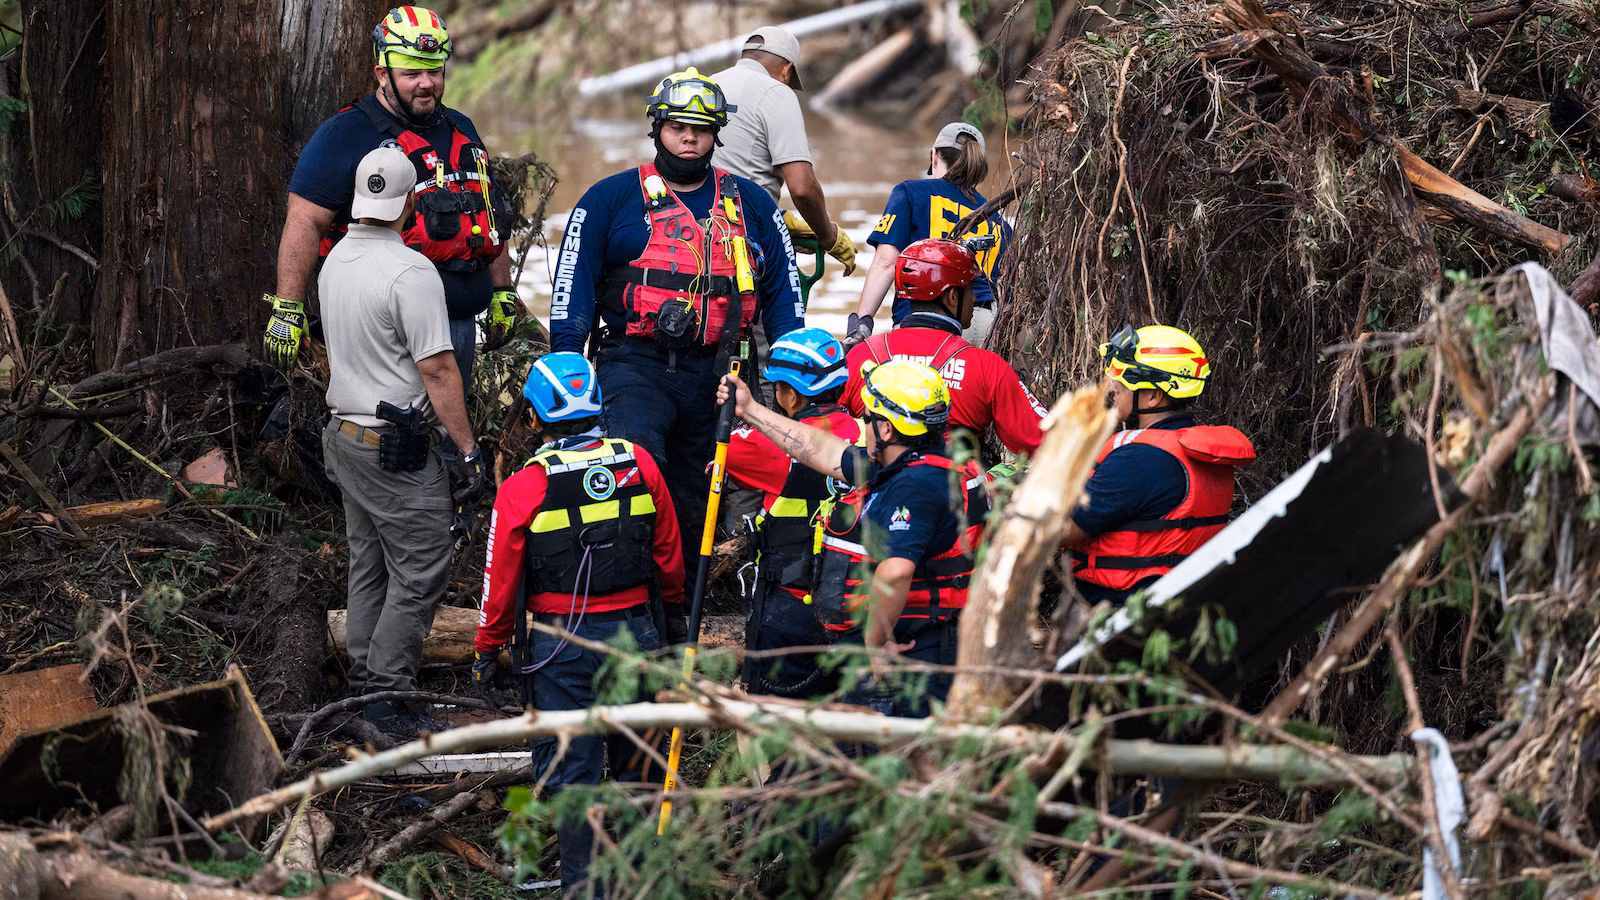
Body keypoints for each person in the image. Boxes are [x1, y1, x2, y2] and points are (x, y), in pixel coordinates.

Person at [548, 66, 806, 616]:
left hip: (720, 377)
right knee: (636, 478)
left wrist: (794, 381)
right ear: (656, 129)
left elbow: (785, 300)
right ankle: (622, 607)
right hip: (633, 367)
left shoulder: (755, 207)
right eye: (677, 127)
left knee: (695, 506)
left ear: (716, 134)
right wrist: (565, 374)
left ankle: (679, 616)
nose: (689, 139)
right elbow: (570, 293)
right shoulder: (610, 200)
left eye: (701, 129)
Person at [472, 351, 685, 896]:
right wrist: (674, 616)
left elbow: (500, 577)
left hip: (560, 648)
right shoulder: (640, 462)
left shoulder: (524, 486)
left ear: (537, 415)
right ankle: (640, 882)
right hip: (636, 636)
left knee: (574, 778)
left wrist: (486, 647)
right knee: (639, 766)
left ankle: (583, 888)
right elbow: (667, 551)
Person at [264, 5, 522, 396]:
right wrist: (288, 307)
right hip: (384, 331)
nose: (426, 84)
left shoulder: (460, 127)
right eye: (412, 73)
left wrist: (502, 291)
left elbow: (485, 212)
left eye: (434, 72)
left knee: (447, 434)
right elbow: (304, 220)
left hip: (459, 321)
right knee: (395, 435)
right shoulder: (345, 133)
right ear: (382, 73)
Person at [319, 146, 485, 739]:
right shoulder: (411, 272)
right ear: (412, 201)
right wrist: (467, 450)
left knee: (368, 563)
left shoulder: (336, 258)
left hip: (344, 433)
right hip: (393, 445)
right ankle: (387, 698)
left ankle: (365, 684)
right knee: (420, 569)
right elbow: (439, 371)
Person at [719, 359, 988, 716]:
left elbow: (895, 572)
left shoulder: (916, 485)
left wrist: (874, 644)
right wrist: (750, 411)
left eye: (869, 419)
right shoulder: (924, 462)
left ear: (888, 430)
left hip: (915, 648)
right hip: (925, 640)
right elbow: (821, 449)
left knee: (885, 757)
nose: (864, 427)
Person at [1062, 324, 1256, 607]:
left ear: (1154, 396)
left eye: (1123, 381)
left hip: (1121, 616)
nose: (1112, 389)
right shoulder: (1194, 454)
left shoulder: (1136, 461)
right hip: (1184, 605)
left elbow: (1060, 529)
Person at [724, 328, 861, 698]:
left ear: (791, 394)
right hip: (853, 602)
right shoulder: (865, 436)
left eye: (777, 389)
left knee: (781, 732)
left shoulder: (767, 444)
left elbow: (715, 454)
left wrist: (734, 414)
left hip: (791, 605)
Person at [842, 238, 1047, 457]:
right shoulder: (986, 366)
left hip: (879, 485)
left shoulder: (861, 355)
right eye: (970, 290)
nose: (975, 297)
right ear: (952, 297)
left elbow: (831, 426)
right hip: (954, 485)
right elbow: (1046, 442)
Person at [709, 25, 857, 275]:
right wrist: (828, 235)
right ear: (787, 69)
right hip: (744, 237)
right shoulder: (776, 91)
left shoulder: (708, 84)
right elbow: (802, 188)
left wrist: (779, 217)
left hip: (694, 228)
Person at [850, 122, 1012, 347]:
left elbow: (886, 263)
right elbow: (1010, 296)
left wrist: (862, 323)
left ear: (934, 156)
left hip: (928, 323)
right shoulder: (999, 221)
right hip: (989, 327)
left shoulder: (909, 192)